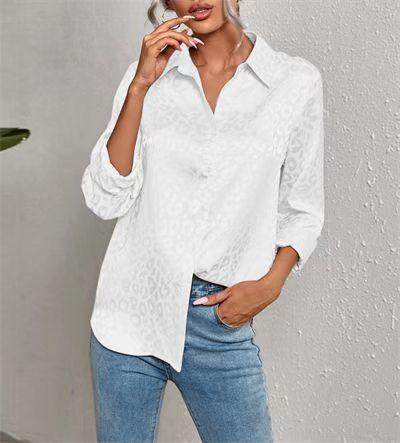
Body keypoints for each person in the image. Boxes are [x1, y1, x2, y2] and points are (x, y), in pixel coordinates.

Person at [81, 0, 325, 441]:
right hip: (132, 310)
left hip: (219, 322)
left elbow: (302, 208)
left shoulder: (294, 82)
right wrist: (139, 87)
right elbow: (105, 198)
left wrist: (269, 286)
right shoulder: (148, 77)